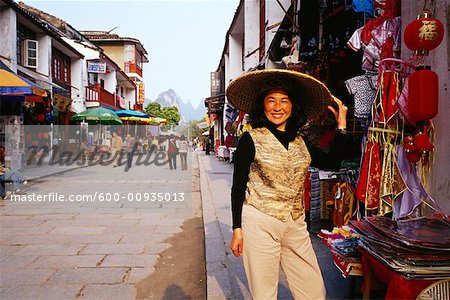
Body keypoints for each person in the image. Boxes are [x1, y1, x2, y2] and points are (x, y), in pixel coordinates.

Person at [227, 69, 349, 299]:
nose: (277, 107)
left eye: (284, 101)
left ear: (292, 107)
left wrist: (341, 125)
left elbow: (332, 162)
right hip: (260, 221)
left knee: (313, 291)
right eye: (271, 100)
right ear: (262, 106)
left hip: (295, 224)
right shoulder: (251, 139)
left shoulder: (301, 141)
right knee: (264, 294)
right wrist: (237, 229)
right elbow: (238, 187)